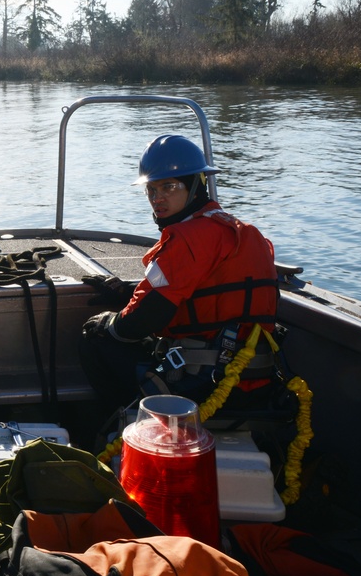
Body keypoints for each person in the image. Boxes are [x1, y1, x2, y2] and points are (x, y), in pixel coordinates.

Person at [77, 134, 280, 449]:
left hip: (202, 383)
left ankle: (123, 431)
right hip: (254, 381)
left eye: (169, 187)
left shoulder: (187, 238)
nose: (158, 198)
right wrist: (124, 293)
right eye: (152, 189)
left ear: (195, 185)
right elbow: (203, 297)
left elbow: (139, 324)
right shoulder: (244, 233)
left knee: (94, 339)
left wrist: (107, 322)